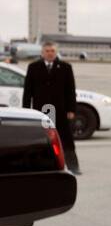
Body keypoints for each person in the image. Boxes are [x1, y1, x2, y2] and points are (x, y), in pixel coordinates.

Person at [24, 41, 80, 175]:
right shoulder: (33, 67)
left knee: (65, 138)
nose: (50, 53)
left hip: (61, 110)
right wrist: (26, 110)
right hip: (41, 110)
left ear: (56, 52)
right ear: (42, 53)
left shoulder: (66, 67)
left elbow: (70, 90)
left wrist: (71, 110)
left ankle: (72, 166)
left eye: (52, 51)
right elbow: (28, 91)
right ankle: (39, 166)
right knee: (41, 138)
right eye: (47, 51)